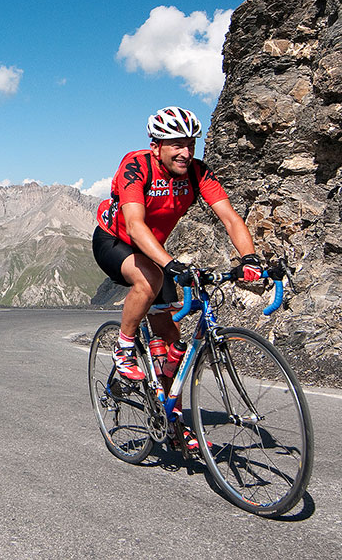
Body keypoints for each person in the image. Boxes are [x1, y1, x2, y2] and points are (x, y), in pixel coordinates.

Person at [92, 107, 262, 441]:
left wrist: (250, 258)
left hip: (151, 250)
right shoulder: (136, 166)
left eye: (190, 144)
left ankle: (174, 423)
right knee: (151, 278)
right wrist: (169, 265)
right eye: (176, 145)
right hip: (114, 241)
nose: (185, 152)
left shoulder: (198, 173)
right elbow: (137, 226)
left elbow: (229, 217)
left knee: (172, 343)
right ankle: (123, 347)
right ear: (156, 147)